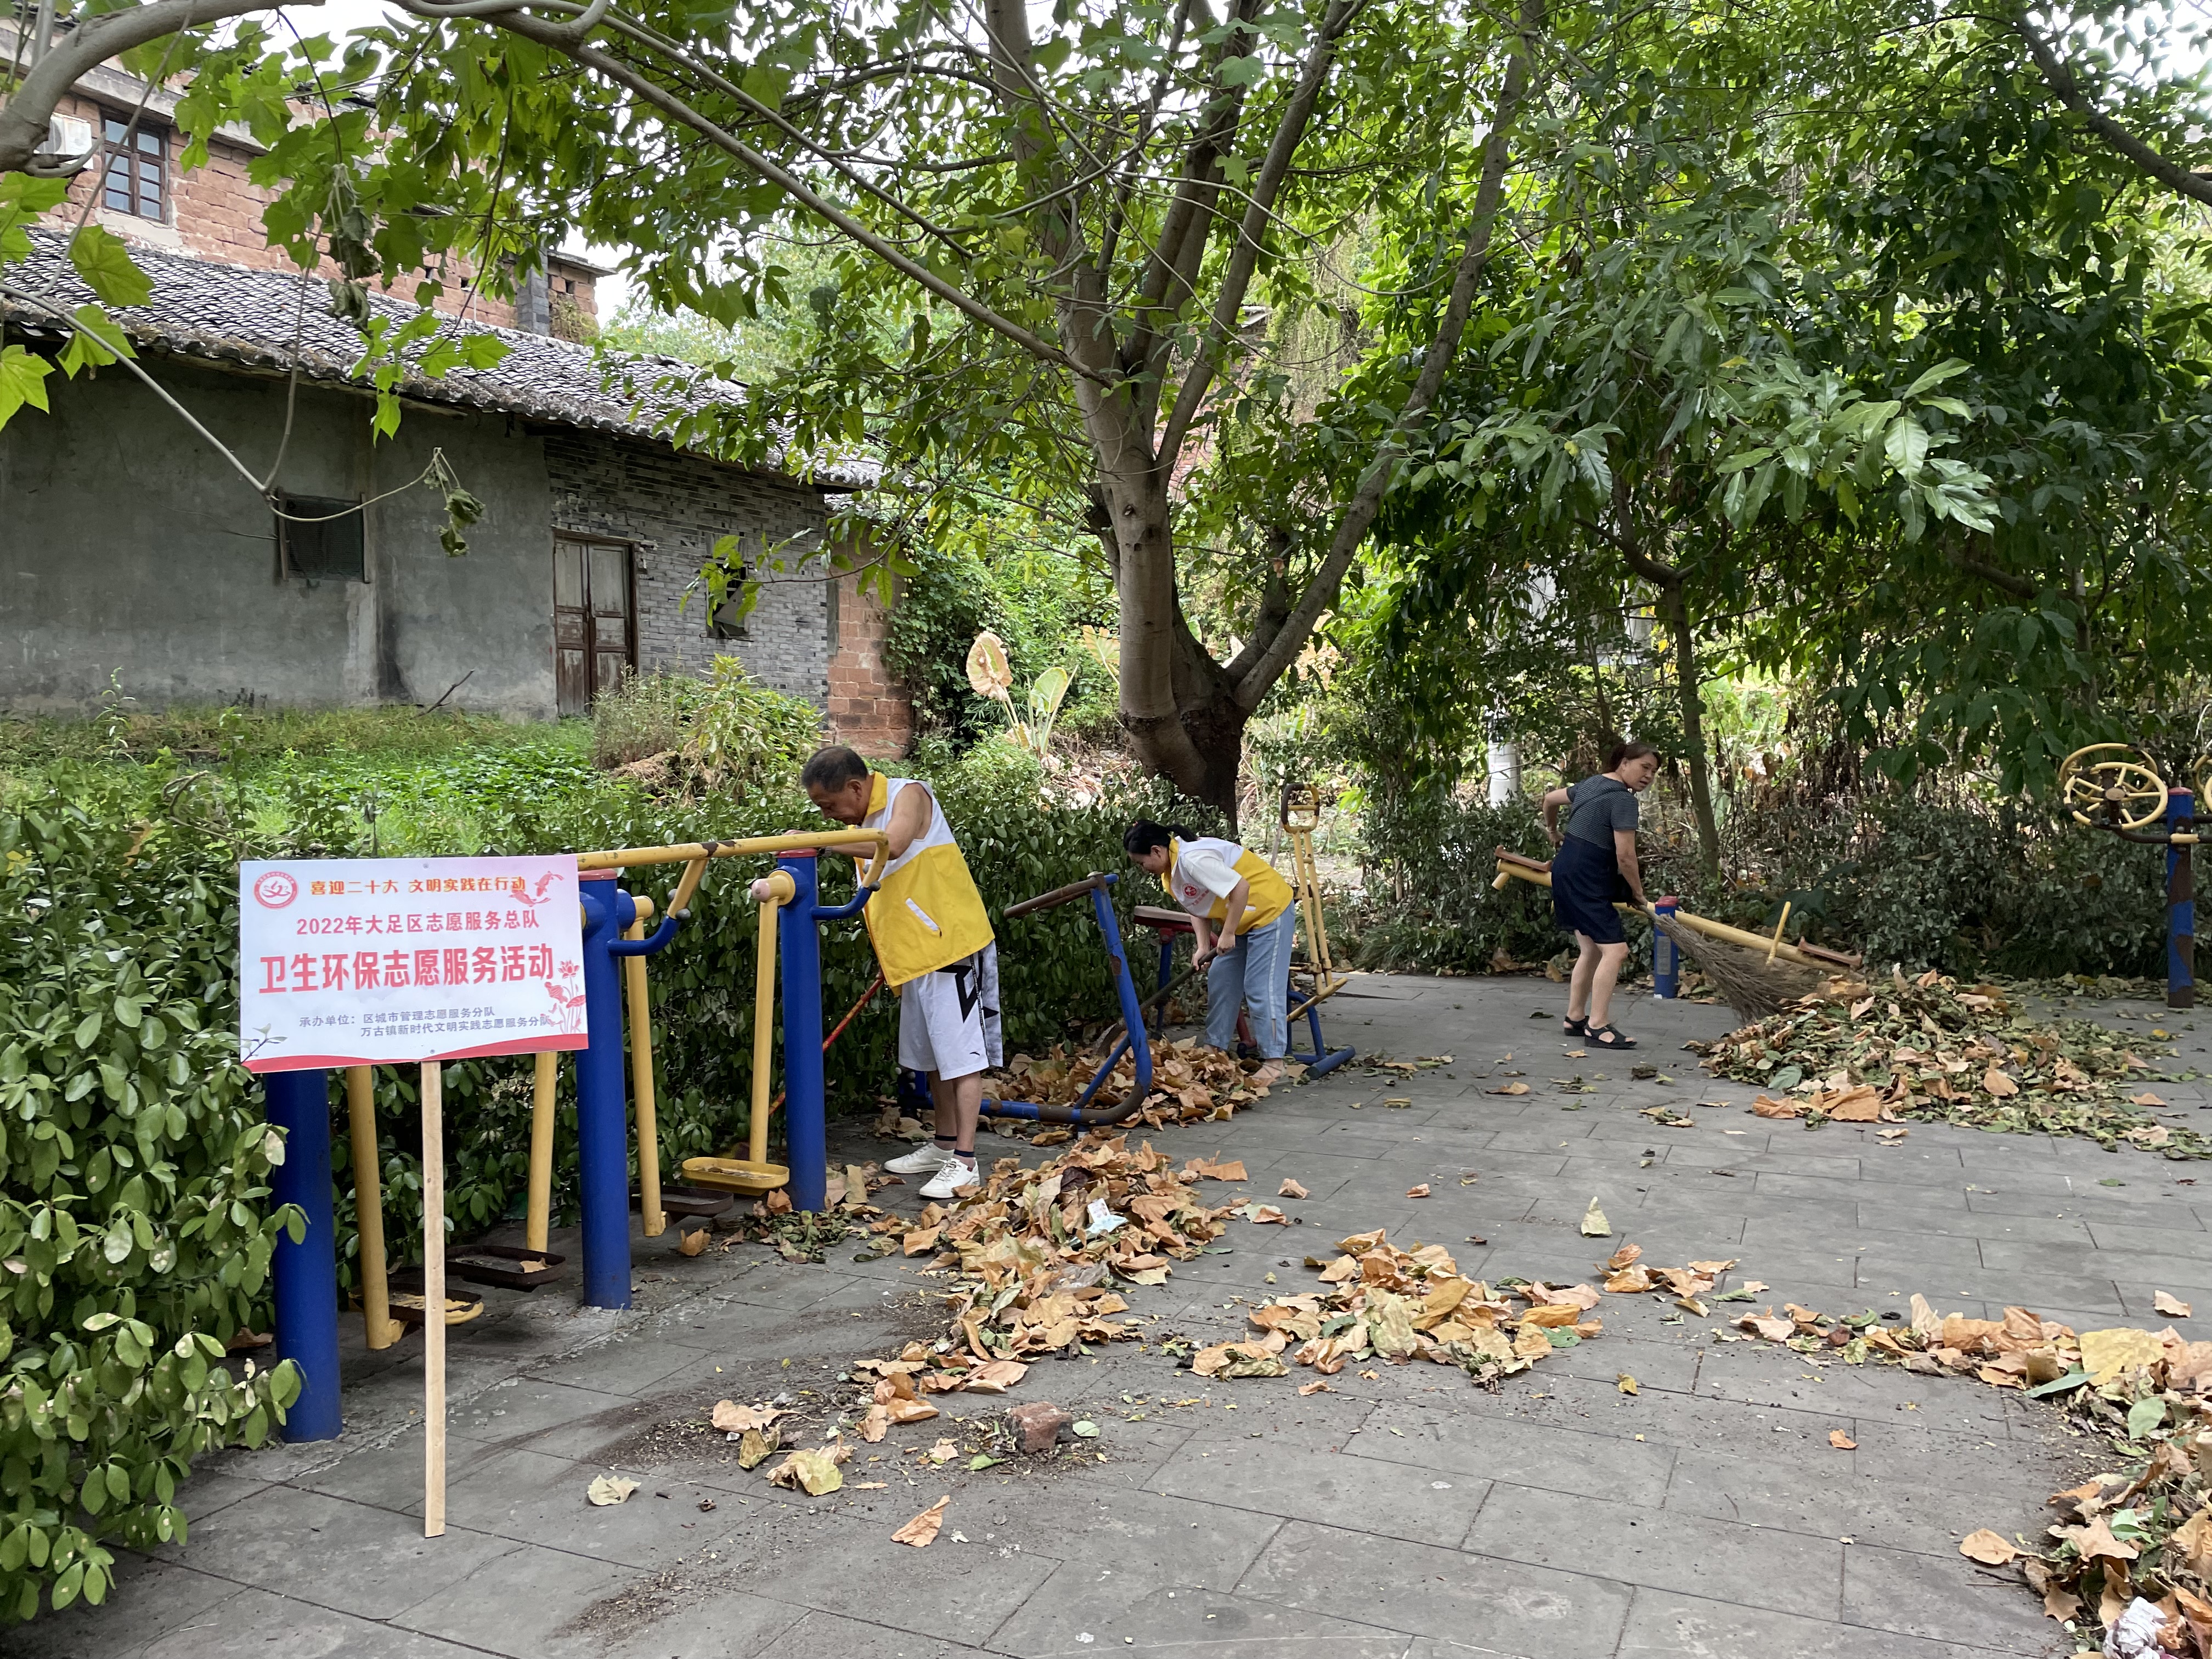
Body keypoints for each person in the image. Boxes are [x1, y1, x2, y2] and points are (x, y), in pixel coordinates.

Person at [765, 746, 1000, 1200]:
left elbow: (894, 845)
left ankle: (966, 1162)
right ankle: (944, 1145)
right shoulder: (861, 822)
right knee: (931, 1058)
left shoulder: (908, 795)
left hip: (948, 943)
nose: (827, 814)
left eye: (829, 805)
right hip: (913, 955)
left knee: (960, 1057)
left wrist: (816, 840)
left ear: (856, 787)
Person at [1124, 820, 1297, 1086]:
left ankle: (1275, 1063)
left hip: (1269, 911)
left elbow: (1241, 888)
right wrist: (1203, 945)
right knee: (1222, 979)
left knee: (1260, 988)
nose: (1142, 868)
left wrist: (1227, 934)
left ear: (1157, 851)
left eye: (1141, 862)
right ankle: (1214, 1050)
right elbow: (1198, 906)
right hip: (1241, 918)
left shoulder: (1193, 859)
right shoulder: (1171, 873)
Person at [1540, 740, 1660, 1051]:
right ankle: (1598, 1026)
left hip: (1567, 870)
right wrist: (1638, 892)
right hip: (1587, 877)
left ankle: (1575, 1018)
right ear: (1623, 763)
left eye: (1654, 771)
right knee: (1616, 951)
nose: (1649, 776)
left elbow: (1550, 799)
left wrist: (1552, 831)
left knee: (1592, 950)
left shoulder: (1591, 784)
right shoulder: (1623, 801)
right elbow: (1625, 857)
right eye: (1644, 767)